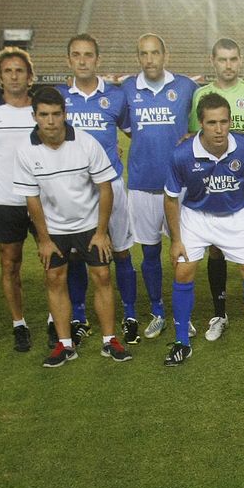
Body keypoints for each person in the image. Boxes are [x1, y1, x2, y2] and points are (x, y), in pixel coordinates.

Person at [15, 87, 129, 367]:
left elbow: (105, 188)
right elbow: (32, 199)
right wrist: (43, 239)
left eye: (56, 114)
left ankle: (109, 340)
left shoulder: (86, 143)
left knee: (102, 277)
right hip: (54, 228)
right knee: (55, 280)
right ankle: (65, 345)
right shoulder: (25, 151)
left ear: (65, 114)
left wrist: (102, 232)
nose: (51, 121)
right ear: (35, 116)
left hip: (90, 223)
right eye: (44, 115)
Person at [163, 92, 244, 364]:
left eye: (224, 122)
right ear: (200, 123)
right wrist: (176, 239)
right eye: (212, 123)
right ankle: (181, 342)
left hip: (235, 215)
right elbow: (170, 197)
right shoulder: (182, 154)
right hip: (196, 216)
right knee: (184, 270)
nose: (219, 129)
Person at [59, 34, 138, 344]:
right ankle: (79, 316)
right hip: (74, 189)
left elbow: (136, 133)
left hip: (111, 184)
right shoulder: (60, 97)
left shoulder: (116, 97)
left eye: (88, 55)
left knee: (120, 251)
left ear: (97, 59)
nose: (82, 60)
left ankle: (130, 313)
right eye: (76, 55)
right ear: (69, 60)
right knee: (77, 253)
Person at [121, 33, 199, 342]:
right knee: (149, 252)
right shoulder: (127, 89)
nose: (150, 59)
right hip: (141, 185)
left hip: (179, 188)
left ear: (165, 55)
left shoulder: (185, 87)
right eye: (144, 54)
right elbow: (127, 128)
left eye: (155, 53)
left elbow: (198, 124)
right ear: (138, 57)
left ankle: (184, 313)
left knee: (183, 253)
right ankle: (157, 310)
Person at [191, 38, 244, 342]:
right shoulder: (202, 94)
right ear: (213, 61)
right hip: (212, 179)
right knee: (215, 247)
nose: (228, 65)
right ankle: (219, 313)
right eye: (222, 59)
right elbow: (193, 136)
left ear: (240, 60)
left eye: (233, 59)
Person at [0, 47, 40, 351]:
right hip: (6, 202)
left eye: (20, 71)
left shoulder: (41, 109)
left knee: (55, 263)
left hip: (44, 201)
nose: (14, 76)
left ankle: (57, 320)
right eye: (8, 71)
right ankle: (19, 324)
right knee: (10, 265)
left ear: (30, 76)